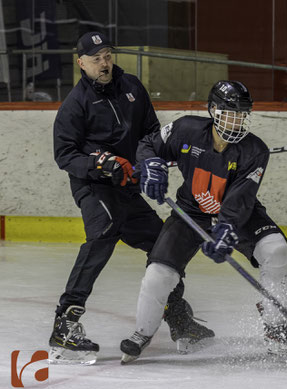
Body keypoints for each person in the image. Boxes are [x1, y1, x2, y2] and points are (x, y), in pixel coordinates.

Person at [49, 31, 213, 364]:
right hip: (94, 186)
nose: (104, 63)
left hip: (126, 186)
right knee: (104, 232)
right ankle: (64, 325)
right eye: (96, 59)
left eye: (107, 55)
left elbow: (151, 132)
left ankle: (178, 317)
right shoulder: (75, 104)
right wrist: (101, 163)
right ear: (81, 63)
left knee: (164, 246)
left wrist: (149, 160)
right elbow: (65, 154)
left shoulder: (132, 88)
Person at [120, 80, 287, 364]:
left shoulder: (255, 150)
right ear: (213, 110)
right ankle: (142, 333)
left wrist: (226, 228)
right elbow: (149, 144)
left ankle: (276, 327)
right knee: (159, 274)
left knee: (275, 250)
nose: (237, 121)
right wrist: (150, 165)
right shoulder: (186, 129)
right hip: (189, 212)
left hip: (237, 215)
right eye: (231, 113)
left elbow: (240, 199)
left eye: (242, 115)